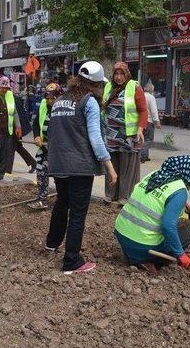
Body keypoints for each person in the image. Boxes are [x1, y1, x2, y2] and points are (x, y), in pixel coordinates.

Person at [46, 61, 118, 274]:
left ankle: (52, 242)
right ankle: (71, 261)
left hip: (58, 164)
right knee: (77, 213)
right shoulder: (89, 102)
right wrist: (110, 167)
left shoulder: (59, 101)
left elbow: (53, 133)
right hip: (79, 166)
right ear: (96, 84)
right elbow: (96, 139)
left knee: (62, 203)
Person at [114, 155, 190, 274]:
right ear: (187, 175)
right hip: (143, 245)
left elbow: (151, 198)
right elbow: (168, 226)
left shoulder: (154, 175)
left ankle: (131, 253)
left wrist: (178, 204)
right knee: (183, 236)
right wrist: (180, 254)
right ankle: (144, 260)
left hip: (121, 233)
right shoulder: (180, 192)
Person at [102, 61, 149, 204]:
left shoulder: (134, 86)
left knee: (127, 167)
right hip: (111, 133)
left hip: (129, 134)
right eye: (116, 73)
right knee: (111, 164)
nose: (118, 77)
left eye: (122, 74)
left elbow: (143, 110)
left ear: (127, 74)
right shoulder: (109, 87)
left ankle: (125, 196)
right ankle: (110, 194)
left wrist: (140, 128)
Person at [28, 83, 63, 210]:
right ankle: (42, 198)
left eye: (52, 98)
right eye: (47, 98)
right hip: (44, 147)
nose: (49, 101)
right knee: (41, 171)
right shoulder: (43, 105)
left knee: (59, 175)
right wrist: (37, 136)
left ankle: (63, 201)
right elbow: (36, 123)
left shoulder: (64, 109)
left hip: (59, 150)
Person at [10, 88, 37, 174]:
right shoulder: (14, 98)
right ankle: (33, 163)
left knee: (11, 147)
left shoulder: (12, 99)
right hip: (16, 127)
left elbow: (17, 116)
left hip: (16, 128)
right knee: (17, 147)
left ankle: (7, 168)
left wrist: (18, 128)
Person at [141, 83, 161, 163]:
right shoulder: (151, 97)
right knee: (148, 139)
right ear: (151, 89)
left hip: (141, 121)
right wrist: (157, 122)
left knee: (143, 139)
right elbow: (154, 110)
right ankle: (142, 156)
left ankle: (146, 156)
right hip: (149, 121)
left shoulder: (141, 95)